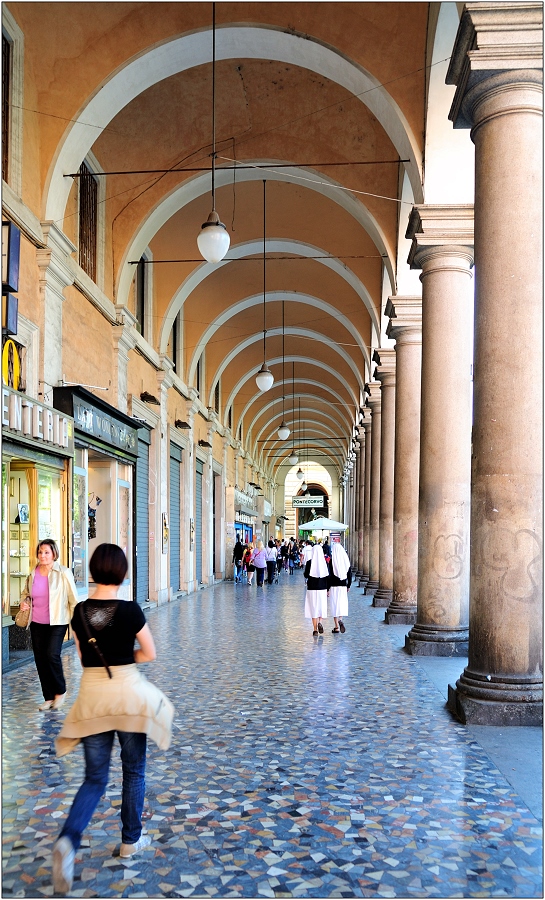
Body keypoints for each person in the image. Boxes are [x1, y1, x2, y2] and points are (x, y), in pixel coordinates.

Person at [52, 543, 174, 893]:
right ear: (121, 573)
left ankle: (68, 842)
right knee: (134, 770)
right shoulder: (131, 610)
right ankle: (130, 840)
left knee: (94, 778)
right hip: (127, 696)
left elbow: (81, 654)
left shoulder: (79, 612)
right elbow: (149, 653)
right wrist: (125, 657)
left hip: (92, 697)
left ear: (93, 571)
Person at [19, 538, 80, 711]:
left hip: (58, 621)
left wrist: (77, 625)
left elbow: (73, 600)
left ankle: (60, 692)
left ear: (54, 553)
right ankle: (48, 697)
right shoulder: (33, 573)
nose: (43, 555)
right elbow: (26, 594)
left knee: (52, 655)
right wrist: (24, 602)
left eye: (46, 552)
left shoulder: (63, 572)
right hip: (37, 622)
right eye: (40, 552)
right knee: (40, 659)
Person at [304, 544, 329, 636]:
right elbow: (328, 577)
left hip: (311, 588)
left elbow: (306, 575)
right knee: (321, 607)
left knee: (313, 607)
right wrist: (328, 589)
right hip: (322, 588)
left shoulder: (309, 563)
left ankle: (315, 629)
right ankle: (320, 622)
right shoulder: (325, 563)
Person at [328, 542, 352, 633]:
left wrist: (327, 588)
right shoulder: (345, 560)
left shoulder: (332, 560)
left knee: (334, 604)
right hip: (343, 586)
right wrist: (348, 585)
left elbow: (329, 575)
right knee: (341, 603)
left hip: (334, 586)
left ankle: (336, 627)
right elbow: (349, 574)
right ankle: (340, 619)